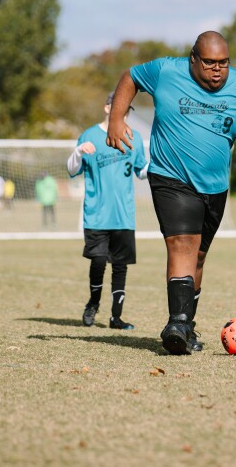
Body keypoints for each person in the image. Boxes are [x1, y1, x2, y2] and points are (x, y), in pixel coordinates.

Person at [106, 30, 236, 355]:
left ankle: (186, 327)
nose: (217, 70)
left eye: (223, 63)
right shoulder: (165, 71)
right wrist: (116, 119)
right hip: (170, 176)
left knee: (198, 256)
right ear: (193, 58)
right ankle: (176, 322)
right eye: (209, 63)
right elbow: (130, 76)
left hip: (215, 186)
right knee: (183, 244)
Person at [67, 92, 148, 330]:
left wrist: (157, 165)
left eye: (127, 109)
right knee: (99, 261)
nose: (123, 112)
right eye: (118, 107)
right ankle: (93, 303)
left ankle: (116, 317)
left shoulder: (134, 137)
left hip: (124, 215)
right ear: (107, 108)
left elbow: (142, 171)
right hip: (96, 214)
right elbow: (72, 170)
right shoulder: (89, 135)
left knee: (120, 266)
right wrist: (78, 152)